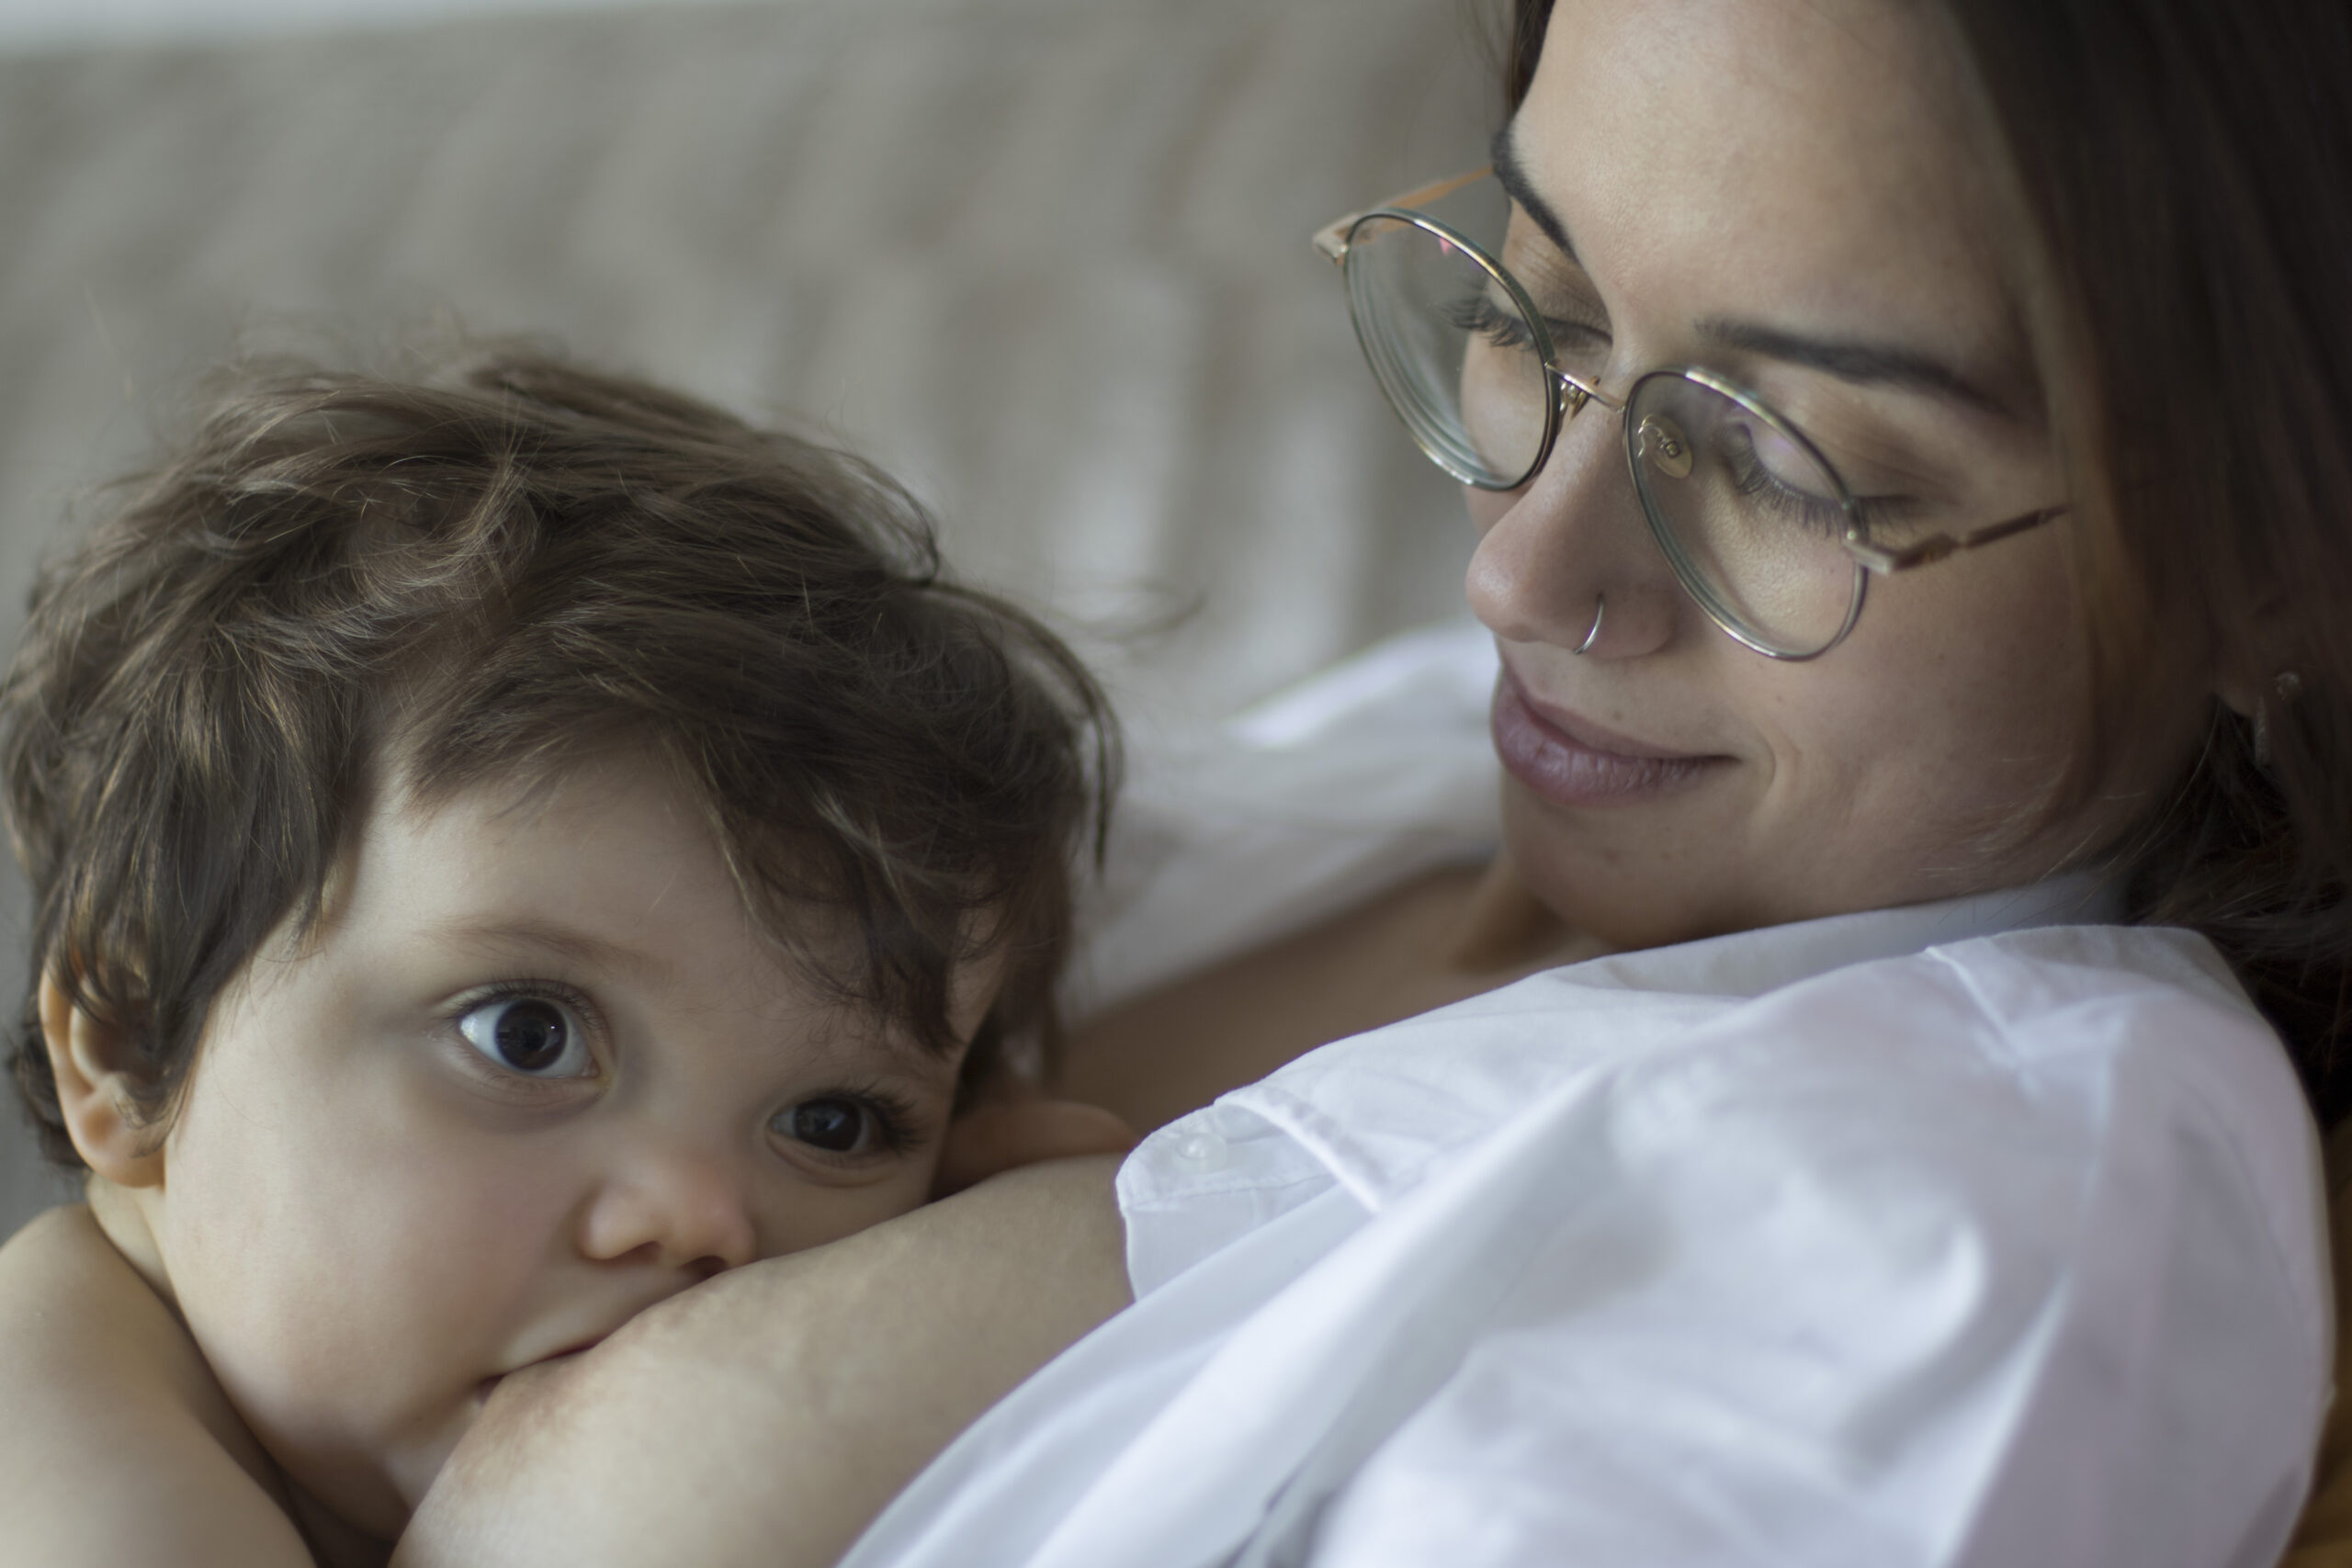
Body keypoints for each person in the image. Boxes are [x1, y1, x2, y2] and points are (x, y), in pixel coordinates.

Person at [394, 0, 2352, 1562]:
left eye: (1776, 459)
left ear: (2278, 551)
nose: (1519, 569)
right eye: (1538, 314)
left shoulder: (1986, 1231)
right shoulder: (1430, 745)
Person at [0, 343, 1130, 1567]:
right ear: (126, 1037)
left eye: (837, 1123)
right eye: (526, 1035)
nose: (701, 1220)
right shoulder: (59, 1448)